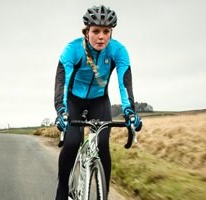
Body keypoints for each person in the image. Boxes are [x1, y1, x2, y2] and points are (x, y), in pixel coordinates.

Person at [52, 5, 143, 200]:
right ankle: (62, 190)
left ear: (111, 33)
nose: (101, 36)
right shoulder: (72, 49)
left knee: (102, 146)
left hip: (99, 101)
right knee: (73, 142)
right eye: (96, 31)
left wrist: (130, 111)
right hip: (73, 101)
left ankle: (104, 194)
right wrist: (62, 111)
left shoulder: (118, 51)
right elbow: (62, 82)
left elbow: (124, 83)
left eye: (106, 31)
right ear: (86, 32)